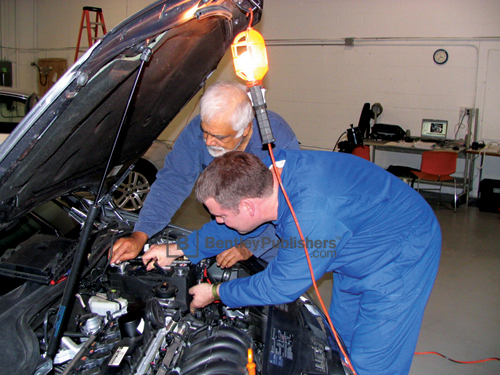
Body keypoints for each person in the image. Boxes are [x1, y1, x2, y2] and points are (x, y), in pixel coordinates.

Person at [142, 150, 441, 375]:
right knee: (339, 341)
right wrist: (174, 250)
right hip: (360, 236)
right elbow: (236, 225)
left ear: (246, 206)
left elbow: (280, 285)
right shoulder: (268, 177)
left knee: (371, 362)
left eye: (221, 215)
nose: (218, 222)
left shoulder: (309, 218)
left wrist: (216, 293)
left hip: (402, 252)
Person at [110, 81, 299, 267]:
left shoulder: (276, 141)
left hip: (273, 240)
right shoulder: (199, 129)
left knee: (270, 284)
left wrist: (250, 247)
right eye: (206, 132)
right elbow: (173, 182)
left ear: (246, 129)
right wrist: (140, 234)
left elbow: (289, 210)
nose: (208, 142)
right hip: (223, 225)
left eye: (219, 137)